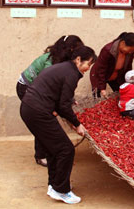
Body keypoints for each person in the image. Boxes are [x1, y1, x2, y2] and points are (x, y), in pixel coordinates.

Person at [20, 45, 97, 204]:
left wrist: (68, 105)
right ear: (78, 60)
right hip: (37, 111)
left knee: (53, 149)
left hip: (29, 108)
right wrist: (77, 124)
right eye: (88, 64)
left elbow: (59, 96)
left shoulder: (63, 68)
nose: (89, 68)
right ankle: (62, 190)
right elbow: (63, 106)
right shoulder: (71, 74)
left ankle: (54, 186)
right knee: (65, 149)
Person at [16, 35, 83, 167]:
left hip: (37, 91)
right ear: (69, 49)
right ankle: (41, 156)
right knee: (42, 120)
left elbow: (61, 84)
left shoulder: (62, 60)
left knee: (44, 121)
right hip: (27, 88)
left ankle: (49, 153)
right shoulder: (52, 61)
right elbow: (48, 86)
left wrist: (69, 99)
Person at [90, 32, 134, 99]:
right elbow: (101, 69)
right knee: (98, 98)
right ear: (123, 43)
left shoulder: (130, 52)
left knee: (121, 95)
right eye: (130, 49)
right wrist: (102, 88)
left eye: (133, 50)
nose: (131, 52)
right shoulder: (108, 50)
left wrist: (132, 80)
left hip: (115, 76)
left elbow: (128, 68)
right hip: (99, 75)